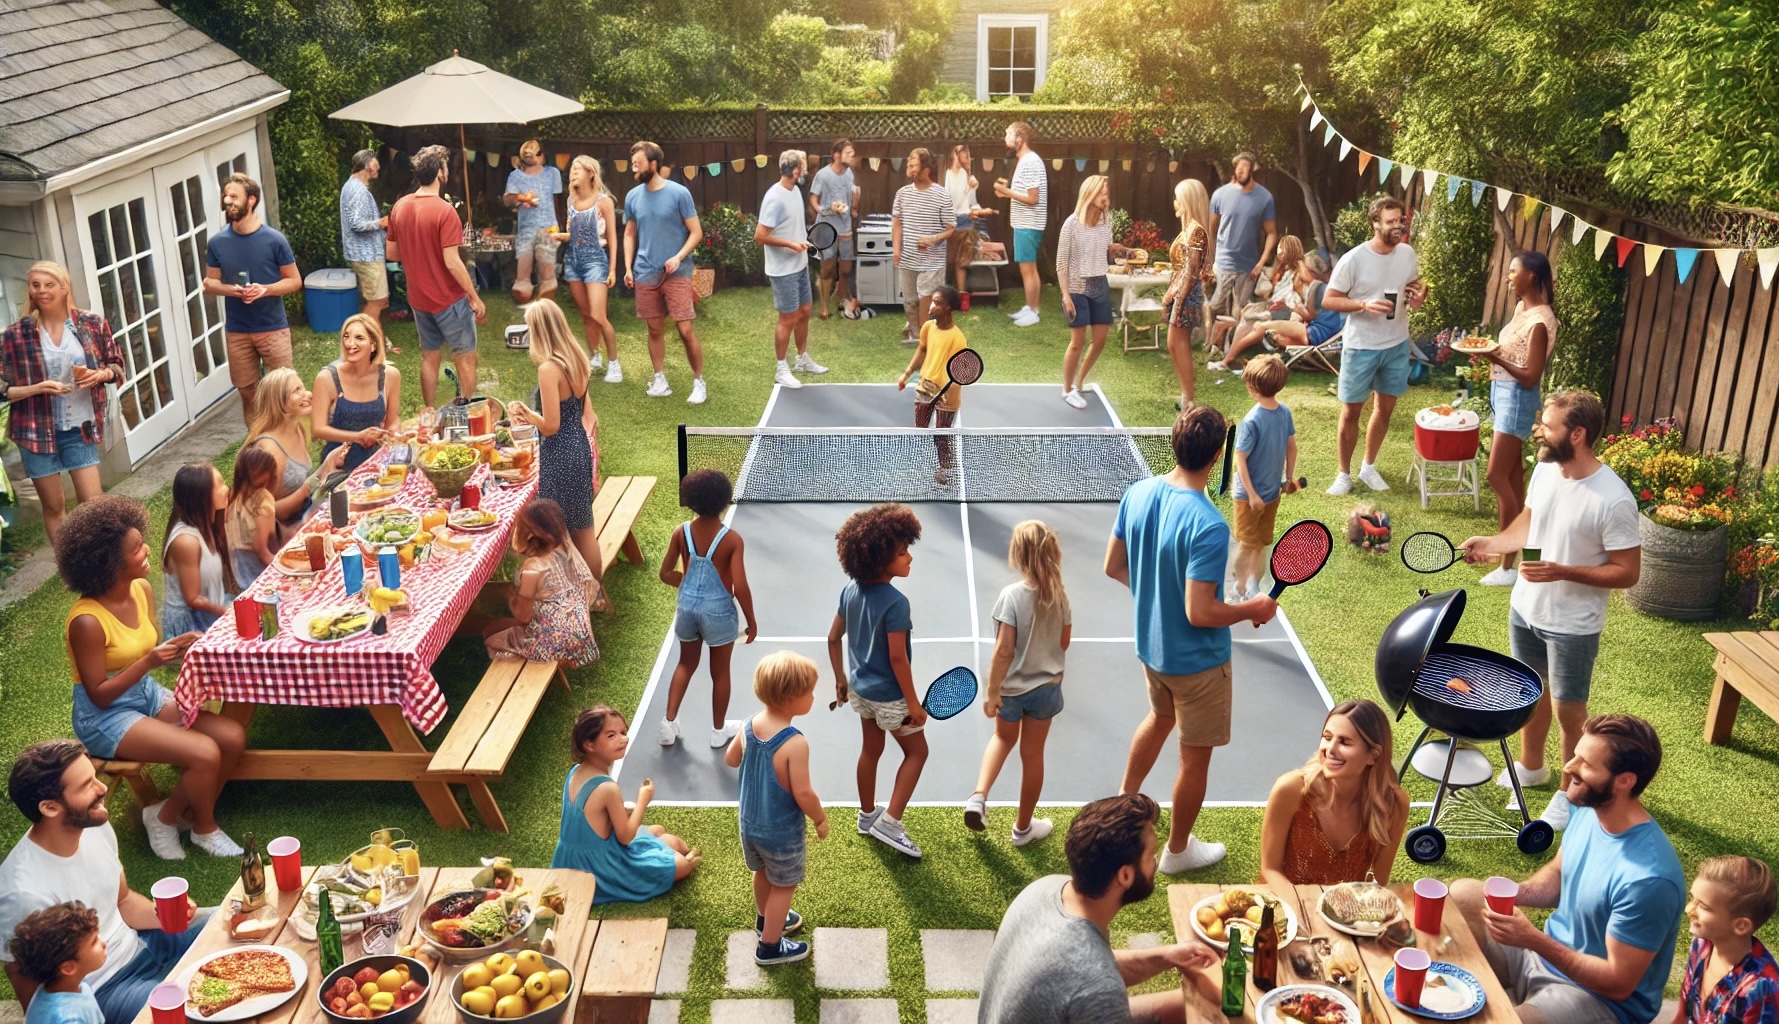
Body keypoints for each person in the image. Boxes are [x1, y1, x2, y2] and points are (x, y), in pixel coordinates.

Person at [1106, 404, 1277, 872]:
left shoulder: (1137, 493)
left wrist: (1155, 598)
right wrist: (1253, 609)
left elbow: (1114, 566)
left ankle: (1122, 811)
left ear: (1174, 443)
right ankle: (1177, 851)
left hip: (1153, 651)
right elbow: (1200, 612)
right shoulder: (1208, 524)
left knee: (1160, 717)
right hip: (1198, 665)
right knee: (1193, 760)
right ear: (1220, 453)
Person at [1460, 391, 1641, 831]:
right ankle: (1532, 765)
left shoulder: (1613, 499)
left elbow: (1627, 572)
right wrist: (1495, 543)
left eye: (1548, 424)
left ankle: (1569, 792)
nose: (1538, 430)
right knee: (1528, 693)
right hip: (1526, 607)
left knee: (1569, 712)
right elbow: (1529, 520)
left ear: (1576, 434)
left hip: (1572, 625)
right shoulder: (1545, 470)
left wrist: (1562, 571)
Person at [1450, 714, 1685, 1024]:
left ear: (1624, 781)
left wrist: (1533, 939)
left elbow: (1618, 984)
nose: (1568, 767)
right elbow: (1561, 872)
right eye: (1575, 754)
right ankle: (1468, 998)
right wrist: (1518, 893)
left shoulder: (1649, 880)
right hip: (1540, 960)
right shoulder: (1590, 809)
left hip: (1596, 999)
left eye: (1585, 764)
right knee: (1463, 895)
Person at [55, 496, 246, 860]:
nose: (147, 551)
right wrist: (150, 662)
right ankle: (202, 827)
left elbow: (145, 648)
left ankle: (176, 813)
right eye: (136, 548)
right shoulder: (87, 622)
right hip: (105, 715)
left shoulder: (140, 590)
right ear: (108, 563)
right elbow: (98, 694)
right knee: (204, 751)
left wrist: (175, 647)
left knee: (232, 737)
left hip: (143, 693)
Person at [0, 741, 213, 1024]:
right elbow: (26, 980)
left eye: (95, 778)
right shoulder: (21, 892)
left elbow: (123, 901)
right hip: (106, 989)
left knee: (236, 920)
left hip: (143, 943)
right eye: (86, 785)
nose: (102, 789)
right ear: (50, 807)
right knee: (195, 1012)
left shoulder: (93, 825)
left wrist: (165, 916)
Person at [978, 793, 1219, 1024]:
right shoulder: (1097, 988)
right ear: (1125, 875)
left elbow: (1083, 968)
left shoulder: (1046, 890)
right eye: (1151, 855)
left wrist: (1167, 957)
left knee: (1199, 1001)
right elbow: (1090, 977)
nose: (1155, 863)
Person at [828, 503, 927, 859]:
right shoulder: (897, 603)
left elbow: (832, 638)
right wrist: (913, 704)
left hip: (860, 691)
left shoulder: (849, 590)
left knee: (871, 750)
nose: (909, 558)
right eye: (902, 553)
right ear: (880, 559)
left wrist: (840, 679)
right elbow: (898, 658)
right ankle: (890, 822)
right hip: (890, 696)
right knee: (918, 752)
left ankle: (867, 815)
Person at [962, 520, 1071, 846]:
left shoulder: (1010, 597)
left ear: (1018, 556)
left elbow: (1004, 650)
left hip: (1010, 691)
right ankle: (1023, 829)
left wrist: (992, 691)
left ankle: (978, 797)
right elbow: (1064, 643)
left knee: (1002, 739)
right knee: (1033, 755)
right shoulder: (1060, 597)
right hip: (1046, 689)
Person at [0, 261, 126, 542]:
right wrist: (36, 388)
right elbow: (2, 388)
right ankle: (71, 571)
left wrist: (100, 374)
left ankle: (103, 562)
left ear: (64, 287)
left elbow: (117, 366)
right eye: (36, 285)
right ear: (29, 290)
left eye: (49, 285)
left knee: (94, 506)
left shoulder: (91, 323)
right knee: (55, 507)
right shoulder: (15, 335)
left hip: (78, 427)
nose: (42, 291)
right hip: (35, 432)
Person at [722, 652, 829, 966]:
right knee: (784, 884)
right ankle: (769, 946)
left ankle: (765, 920)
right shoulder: (794, 743)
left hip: (749, 824)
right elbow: (804, 792)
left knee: (763, 873)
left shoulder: (749, 724)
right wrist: (820, 818)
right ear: (792, 698)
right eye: (809, 692)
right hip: (780, 831)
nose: (812, 697)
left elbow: (731, 758)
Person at [1322, 195, 1428, 495]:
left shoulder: (1406, 253)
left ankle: (1368, 467)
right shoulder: (1354, 259)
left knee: (1384, 409)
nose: (1397, 227)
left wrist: (1421, 295)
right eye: (1391, 222)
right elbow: (1329, 299)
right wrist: (1362, 304)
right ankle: (1343, 475)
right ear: (1375, 224)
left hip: (1396, 344)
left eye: (1400, 221)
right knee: (1351, 412)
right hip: (1361, 346)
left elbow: (1416, 285)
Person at [505, 299, 605, 596]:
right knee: (584, 526)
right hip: (579, 447)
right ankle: (594, 593)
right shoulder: (577, 358)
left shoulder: (549, 368)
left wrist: (526, 414)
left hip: (560, 453)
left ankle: (565, 593)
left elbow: (550, 426)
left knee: (554, 525)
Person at [550, 705, 698, 904]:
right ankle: (671, 858)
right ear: (589, 744)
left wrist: (625, 810)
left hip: (568, 859)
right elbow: (626, 837)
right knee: (681, 862)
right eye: (611, 735)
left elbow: (591, 818)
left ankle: (665, 849)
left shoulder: (575, 772)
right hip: (599, 867)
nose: (623, 739)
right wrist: (642, 801)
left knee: (660, 832)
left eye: (623, 732)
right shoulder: (607, 788)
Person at [1475, 251, 1560, 587]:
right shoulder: (1522, 310)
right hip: (1502, 394)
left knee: (1496, 476)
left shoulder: (1541, 321)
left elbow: (1530, 376)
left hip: (1518, 399)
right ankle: (1514, 563)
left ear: (1532, 277)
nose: (1508, 276)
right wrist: (1494, 356)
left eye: (1514, 271)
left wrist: (1494, 355)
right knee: (1510, 479)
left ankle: (1509, 557)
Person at [1259, 699, 1409, 890]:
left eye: (1344, 742)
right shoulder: (1290, 790)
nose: (1330, 750)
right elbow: (1270, 869)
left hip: (1345, 912)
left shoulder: (1395, 804)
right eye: (1327, 737)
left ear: (1373, 755)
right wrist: (1303, 908)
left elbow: (1378, 882)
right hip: (1286, 905)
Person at [657, 469, 757, 749]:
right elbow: (741, 586)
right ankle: (717, 731)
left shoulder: (681, 532)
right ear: (725, 500)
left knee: (685, 664)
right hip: (719, 614)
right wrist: (752, 621)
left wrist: (688, 583)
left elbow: (665, 573)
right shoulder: (732, 539)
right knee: (720, 672)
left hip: (687, 609)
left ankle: (668, 724)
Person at [387, 145, 485, 408]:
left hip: (419, 300)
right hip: (448, 298)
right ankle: (464, 413)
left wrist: (418, 253)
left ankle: (429, 411)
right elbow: (452, 262)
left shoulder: (399, 207)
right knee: (465, 357)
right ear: (441, 173)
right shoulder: (445, 211)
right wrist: (474, 297)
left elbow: (392, 252)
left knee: (430, 357)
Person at [202, 173, 299, 425]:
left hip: (272, 328)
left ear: (252, 200)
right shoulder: (218, 243)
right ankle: (258, 447)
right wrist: (235, 291)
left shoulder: (274, 240)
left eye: (234, 196)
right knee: (248, 393)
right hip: (238, 331)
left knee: (284, 390)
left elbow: (294, 281)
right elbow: (209, 283)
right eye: (226, 196)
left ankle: (288, 441)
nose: (227, 201)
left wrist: (264, 290)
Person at [623, 140, 707, 404]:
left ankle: (699, 382)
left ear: (653, 164)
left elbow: (696, 232)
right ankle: (659, 379)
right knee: (654, 329)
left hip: (677, 272)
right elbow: (629, 232)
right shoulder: (632, 197)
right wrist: (627, 267)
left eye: (638, 164)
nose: (634, 168)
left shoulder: (679, 193)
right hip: (645, 271)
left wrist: (678, 256)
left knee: (685, 330)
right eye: (632, 164)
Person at [1057, 175, 1143, 410]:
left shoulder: (1106, 221)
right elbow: (1061, 264)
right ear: (1090, 195)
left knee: (1101, 340)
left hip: (1099, 284)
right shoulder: (1071, 224)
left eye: (1107, 193)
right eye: (1103, 194)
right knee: (1078, 342)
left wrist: (1120, 250)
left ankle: (1079, 381)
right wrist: (1065, 295)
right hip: (1076, 287)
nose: (1107, 198)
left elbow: (1106, 252)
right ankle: (1067, 390)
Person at [483, 499, 600, 668]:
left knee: (490, 633)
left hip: (553, 645)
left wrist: (512, 598)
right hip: (580, 633)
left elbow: (523, 616)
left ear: (528, 535)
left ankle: (520, 661)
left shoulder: (534, 568)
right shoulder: (566, 546)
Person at [754, 149, 827, 388]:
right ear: (796, 171)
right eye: (804, 166)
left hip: (799, 264)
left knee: (805, 311)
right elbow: (760, 236)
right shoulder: (774, 198)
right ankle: (781, 368)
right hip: (782, 269)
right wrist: (789, 244)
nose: (806, 170)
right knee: (787, 318)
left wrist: (802, 241)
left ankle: (801, 359)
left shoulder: (795, 191)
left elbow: (791, 227)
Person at [1675, 856, 1778, 1024]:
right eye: (1692, 899)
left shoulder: (1763, 988)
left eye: (1704, 906)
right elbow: (1684, 1013)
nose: (1689, 909)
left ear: (1741, 926)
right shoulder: (1702, 944)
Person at [1228, 354, 1299, 600]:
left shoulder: (1281, 414)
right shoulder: (1253, 420)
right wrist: (1252, 495)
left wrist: (1286, 479)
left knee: (1260, 543)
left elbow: (1291, 446)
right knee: (1248, 544)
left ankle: (1252, 587)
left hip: (1270, 494)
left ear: (1253, 388)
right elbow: (1241, 460)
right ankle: (1236, 589)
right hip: (1249, 497)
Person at [246, 367, 346, 539]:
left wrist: (327, 466)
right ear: (279, 402)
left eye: (302, 387)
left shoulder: (298, 429)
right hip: (278, 537)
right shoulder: (269, 451)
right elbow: (262, 514)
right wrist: (308, 487)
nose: (307, 394)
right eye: (296, 391)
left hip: (303, 518)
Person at [550, 156, 622, 382]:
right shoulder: (571, 200)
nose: (572, 173)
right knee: (585, 314)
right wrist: (560, 236)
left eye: (577, 169)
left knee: (598, 315)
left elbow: (612, 237)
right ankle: (595, 355)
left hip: (595, 260)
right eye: (571, 170)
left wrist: (612, 270)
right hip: (573, 260)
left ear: (591, 173)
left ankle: (614, 364)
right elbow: (575, 234)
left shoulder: (604, 202)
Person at [1217, 251, 1341, 372]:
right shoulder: (1322, 288)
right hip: (1316, 335)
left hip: (1313, 334)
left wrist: (1298, 258)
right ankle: (1242, 364)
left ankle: (1227, 360)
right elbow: (1311, 315)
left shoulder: (1320, 288)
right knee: (1277, 337)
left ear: (1311, 271)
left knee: (1260, 326)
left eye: (1302, 267)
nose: (1298, 272)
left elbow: (1308, 312)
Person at [897, 288, 969, 484]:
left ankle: (946, 467)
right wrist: (906, 374)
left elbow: (959, 370)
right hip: (925, 388)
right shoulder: (928, 327)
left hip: (948, 394)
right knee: (920, 428)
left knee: (941, 436)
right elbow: (921, 349)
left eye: (936, 302)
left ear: (947, 308)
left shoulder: (957, 338)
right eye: (932, 301)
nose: (931, 306)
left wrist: (945, 386)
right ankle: (940, 460)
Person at [311, 314, 399, 475]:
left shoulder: (390, 376)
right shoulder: (327, 378)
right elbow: (318, 429)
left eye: (359, 338)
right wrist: (357, 437)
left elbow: (392, 421)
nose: (350, 343)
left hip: (376, 462)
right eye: (346, 337)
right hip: (338, 463)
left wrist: (392, 434)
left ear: (373, 345)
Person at [158, 464, 234, 639]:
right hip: (191, 624)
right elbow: (192, 599)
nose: (226, 488)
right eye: (220, 484)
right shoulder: (186, 542)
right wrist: (227, 612)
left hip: (213, 606)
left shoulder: (210, 523)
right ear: (201, 496)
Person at [1206, 152, 1278, 337]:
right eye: (1238, 168)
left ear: (1252, 169)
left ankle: (1229, 344)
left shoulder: (1264, 198)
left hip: (1249, 265)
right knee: (1216, 304)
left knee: (1242, 309)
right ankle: (1210, 334)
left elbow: (1271, 233)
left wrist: (1261, 263)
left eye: (1245, 167)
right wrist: (1210, 258)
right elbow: (1211, 229)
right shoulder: (1220, 195)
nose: (1240, 171)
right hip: (1224, 261)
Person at [1211, 234, 1305, 368]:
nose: (1278, 254)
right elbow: (1276, 293)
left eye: (1281, 250)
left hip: (1289, 313)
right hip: (1277, 308)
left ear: (1290, 251)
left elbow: (1296, 300)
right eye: (1278, 250)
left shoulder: (1299, 273)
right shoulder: (1283, 270)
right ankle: (1228, 357)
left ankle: (1227, 359)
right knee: (1248, 314)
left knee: (1251, 319)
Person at [890, 147, 954, 342]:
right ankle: (915, 334)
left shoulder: (942, 195)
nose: (909, 167)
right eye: (908, 163)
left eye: (913, 164)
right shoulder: (902, 194)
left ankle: (925, 338)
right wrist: (896, 250)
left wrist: (933, 239)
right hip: (908, 257)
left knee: (927, 298)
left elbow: (951, 228)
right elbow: (897, 224)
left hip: (932, 260)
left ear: (926, 169)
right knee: (910, 300)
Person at [1161, 180, 1213, 409]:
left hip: (1187, 295)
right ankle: (1186, 397)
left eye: (1177, 197)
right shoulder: (1189, 229)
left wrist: (1175, 300)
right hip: (1182, 291)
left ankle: (1188, 400)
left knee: (1177, 343)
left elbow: (1191, 273)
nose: (1175, 202)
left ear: (1188, 200)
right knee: (1174, 343)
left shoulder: (1196, 231)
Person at [10, 901, 106, 1024]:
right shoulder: (68, 1019)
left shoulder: (71, 988)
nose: (103, 944)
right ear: (68, 967)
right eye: (94, 942)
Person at [995, 121, 1048, 327]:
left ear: (1020, 139)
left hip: (1029, 224)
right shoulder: (1024, 161)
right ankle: (1029, 307)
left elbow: (1033, 198)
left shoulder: (1030, 161)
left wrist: (1007, 192)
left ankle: (1034, 312)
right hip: (1024, 223)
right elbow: (1025, 195)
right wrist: (1007, 193)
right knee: (1028, 268)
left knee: (1029, 269)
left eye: (1008, 134)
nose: (1005, 139)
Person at [504, 140, 564, 304]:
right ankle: (526, 299)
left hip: (548, 227)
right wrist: (521, 197)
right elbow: (508, 200)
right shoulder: (515, 176)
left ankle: (544, 304)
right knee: (522, 278)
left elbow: (557, 199)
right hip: (526, 229)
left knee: (548, 276)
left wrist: (561, 225)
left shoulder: (552, 173)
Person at [808, 139, 862, 321]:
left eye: (852, 154)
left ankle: (840, 296)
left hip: (845, 227)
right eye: (848, 153)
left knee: (846, 267)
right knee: (828, 267)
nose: (851, 157)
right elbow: (813, 200)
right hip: (827, 227)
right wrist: (824, 209)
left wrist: (854, 205)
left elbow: (851, 202)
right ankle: (824, 307)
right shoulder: (823, 175)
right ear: (836, 155)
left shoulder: (849, 175)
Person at [339, 149, 390, 327]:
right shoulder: (358, 190)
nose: (379, 167)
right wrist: (381, 223)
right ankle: (363, 338)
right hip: (366, 255)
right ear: (367, 165)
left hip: (362, 253)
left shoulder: (351, 186)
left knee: (376, 300)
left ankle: (375, 340)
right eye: (376, 164)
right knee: (378, 301)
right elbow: (356, 224)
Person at [225, 446, 279, 591]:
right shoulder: (263, 501)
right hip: (261, 581)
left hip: (241, 579)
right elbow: (263, 553)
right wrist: (286, 571)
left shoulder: (231, 498)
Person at [944, 143, 987, 310]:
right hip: (951, 222)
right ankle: (947, 298)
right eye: (962, 154)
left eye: (967, 155)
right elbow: (948, 202)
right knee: (948, 261)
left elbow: (970, 202)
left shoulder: (966, 175)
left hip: (966, 222)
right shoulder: (946, 175)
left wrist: (971, 186)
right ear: (954, 155)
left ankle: (962, 298)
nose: (965, 158)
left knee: (962, 263)